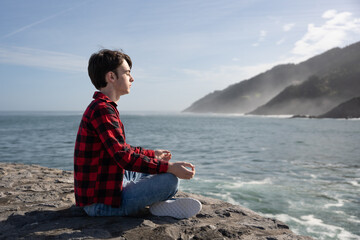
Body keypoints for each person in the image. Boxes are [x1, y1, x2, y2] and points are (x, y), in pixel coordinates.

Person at [74, 49, 201, 218]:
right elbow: (122, 156)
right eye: (127, 73)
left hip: (104, 188)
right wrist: (169, 167)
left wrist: (152, 154)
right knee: (170, 180)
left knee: (153, 165)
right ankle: (159, 203)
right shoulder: (102, 109)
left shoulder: (102, 106)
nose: (132, 78)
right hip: (100, 205)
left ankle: (157, 203)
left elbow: (121, 149)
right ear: (111, 77)